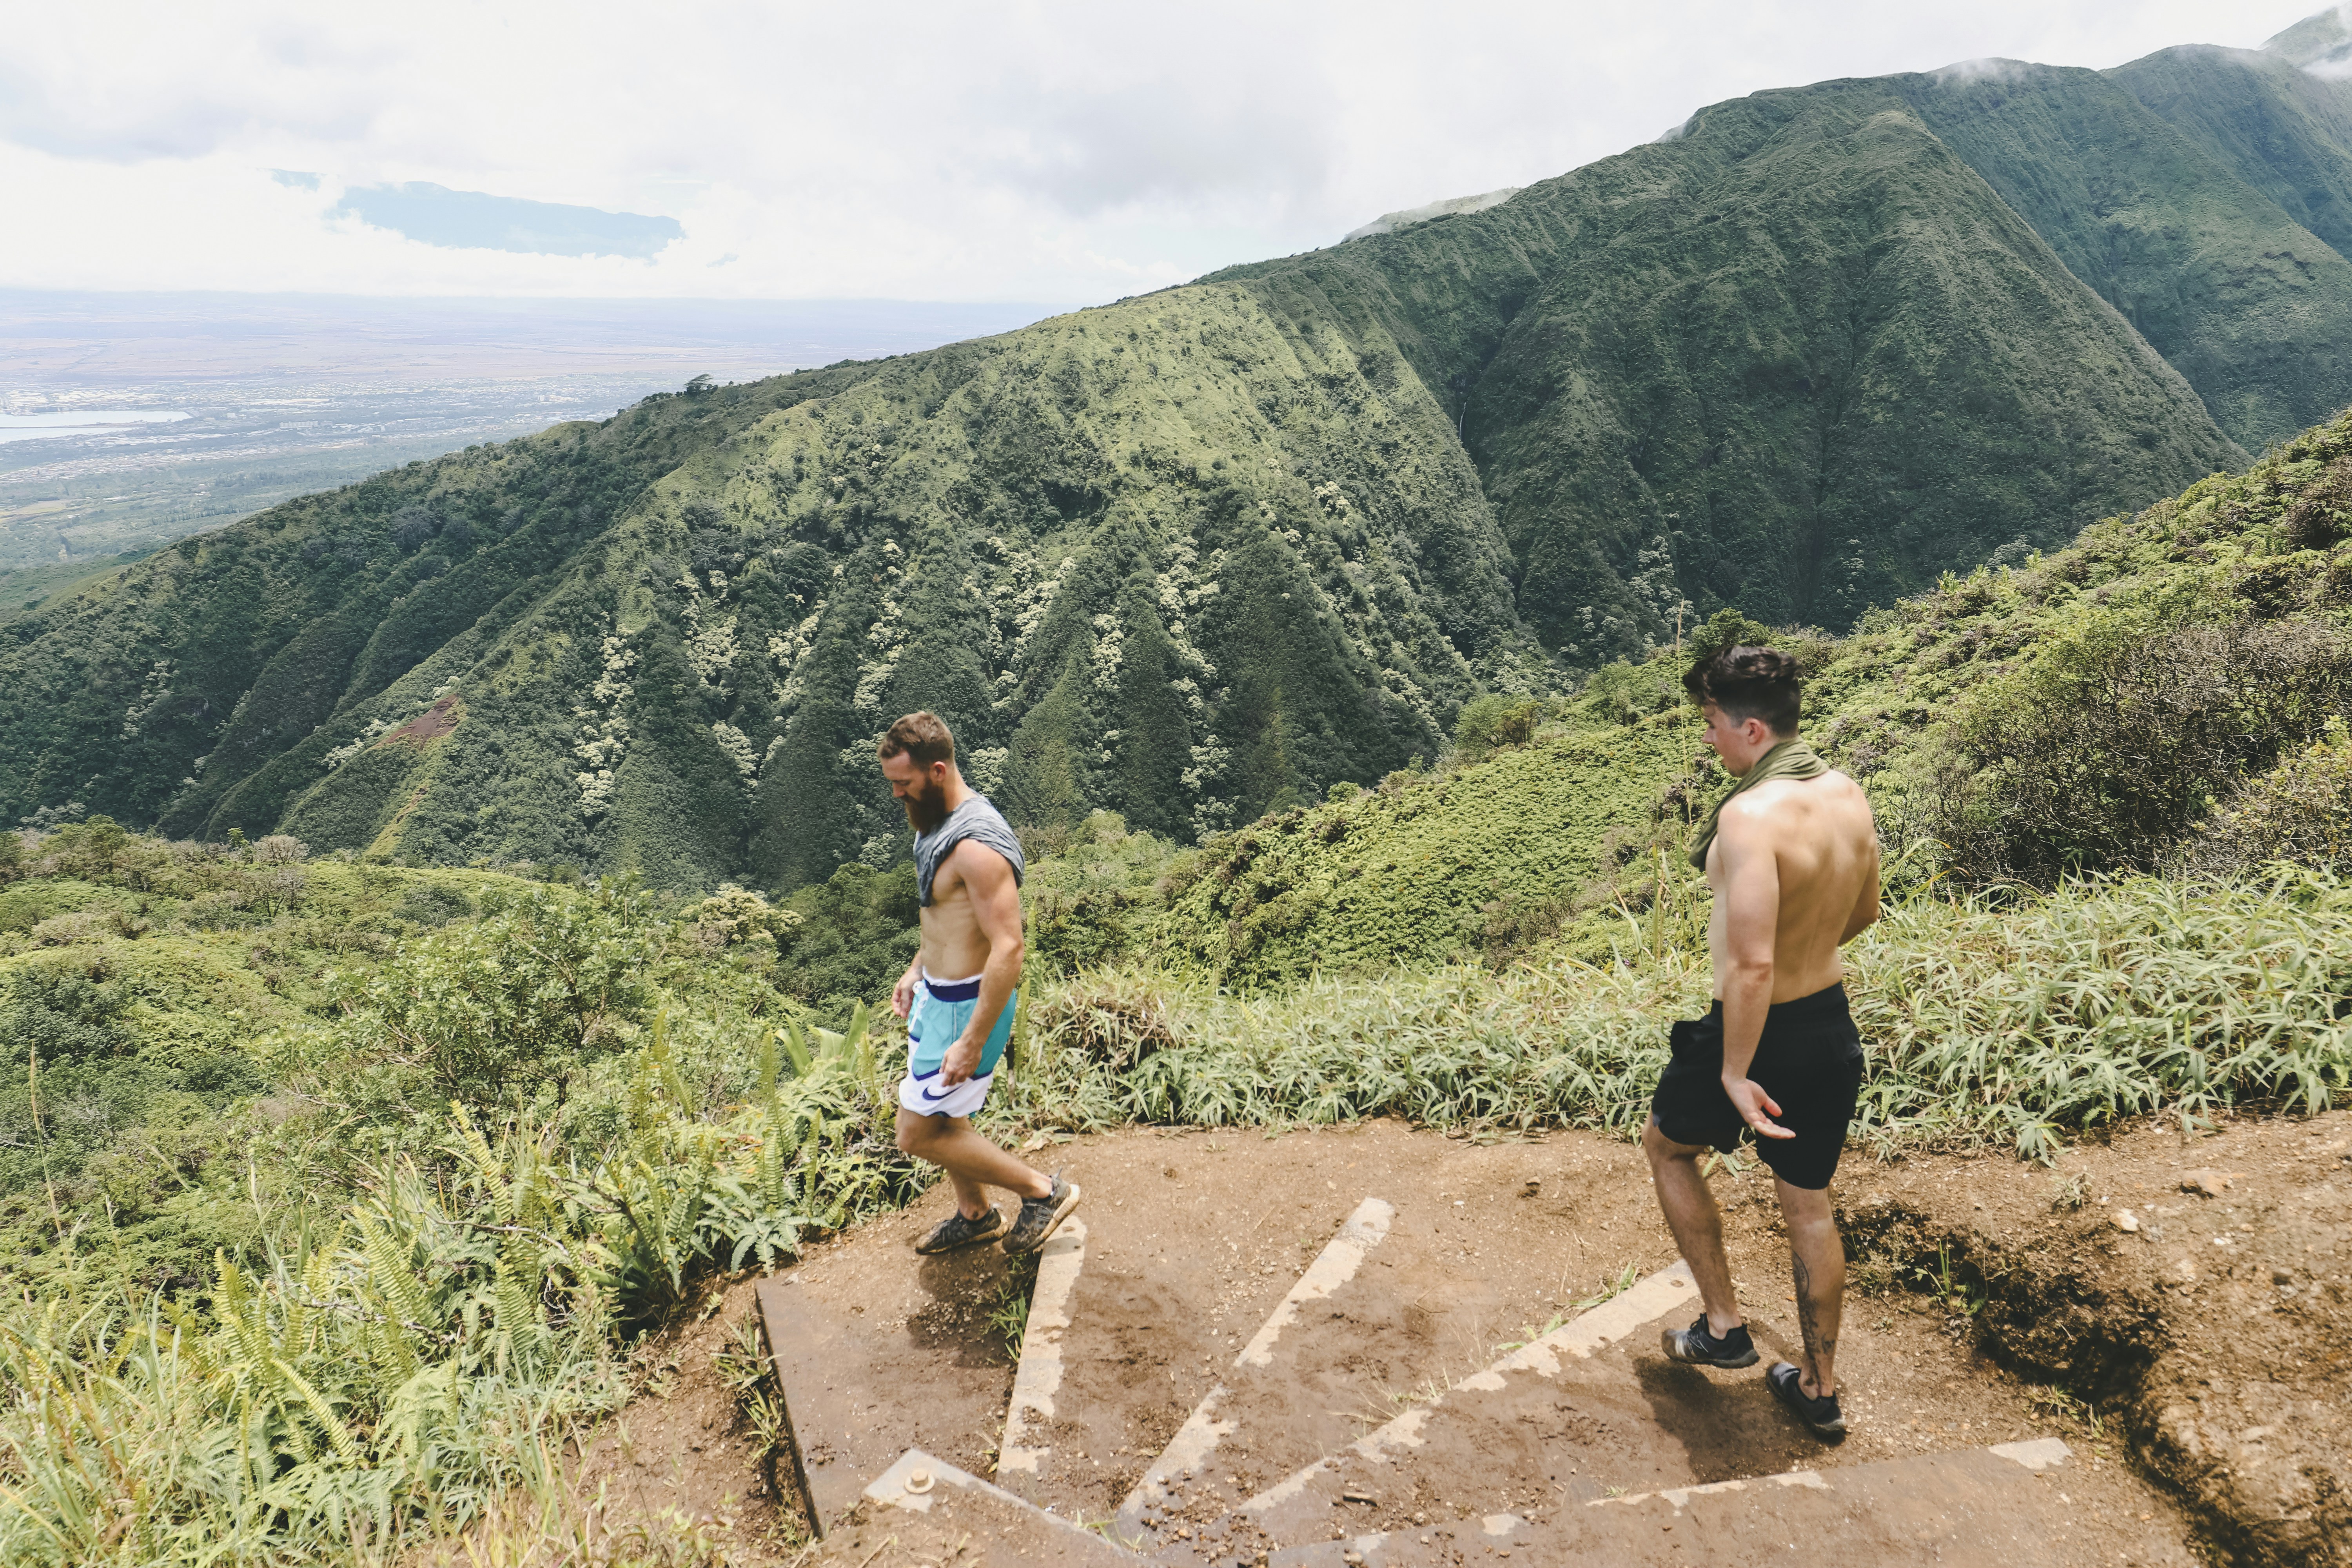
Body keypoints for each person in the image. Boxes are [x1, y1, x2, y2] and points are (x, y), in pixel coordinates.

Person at [1642, 646, 1879, 1441]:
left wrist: (1736, 1068)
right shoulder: (1845, 791)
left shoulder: (1748, 817)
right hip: (1828, 1025)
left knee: (1669, 1146)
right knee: (1808, 1206)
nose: (1707, 739)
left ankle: (1724, 1326)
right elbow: (1866, 909)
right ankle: (1818, 1387)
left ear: (1750, 726)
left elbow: (1751, 962)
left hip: (1753, 1031)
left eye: (1711, 723)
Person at [877, 711, 1080, 1256]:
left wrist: (971, 1039)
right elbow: (946, 917)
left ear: (938, 770)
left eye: (904, 783)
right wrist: (916, 969)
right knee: (948, 1116)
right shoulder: (935, 825)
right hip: (937, 997)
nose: (897, 794)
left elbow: (1009, 946)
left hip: (967, 1007)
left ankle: (1043, 1192)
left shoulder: (976, 846)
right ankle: (976, 1214)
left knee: (916, 1133)